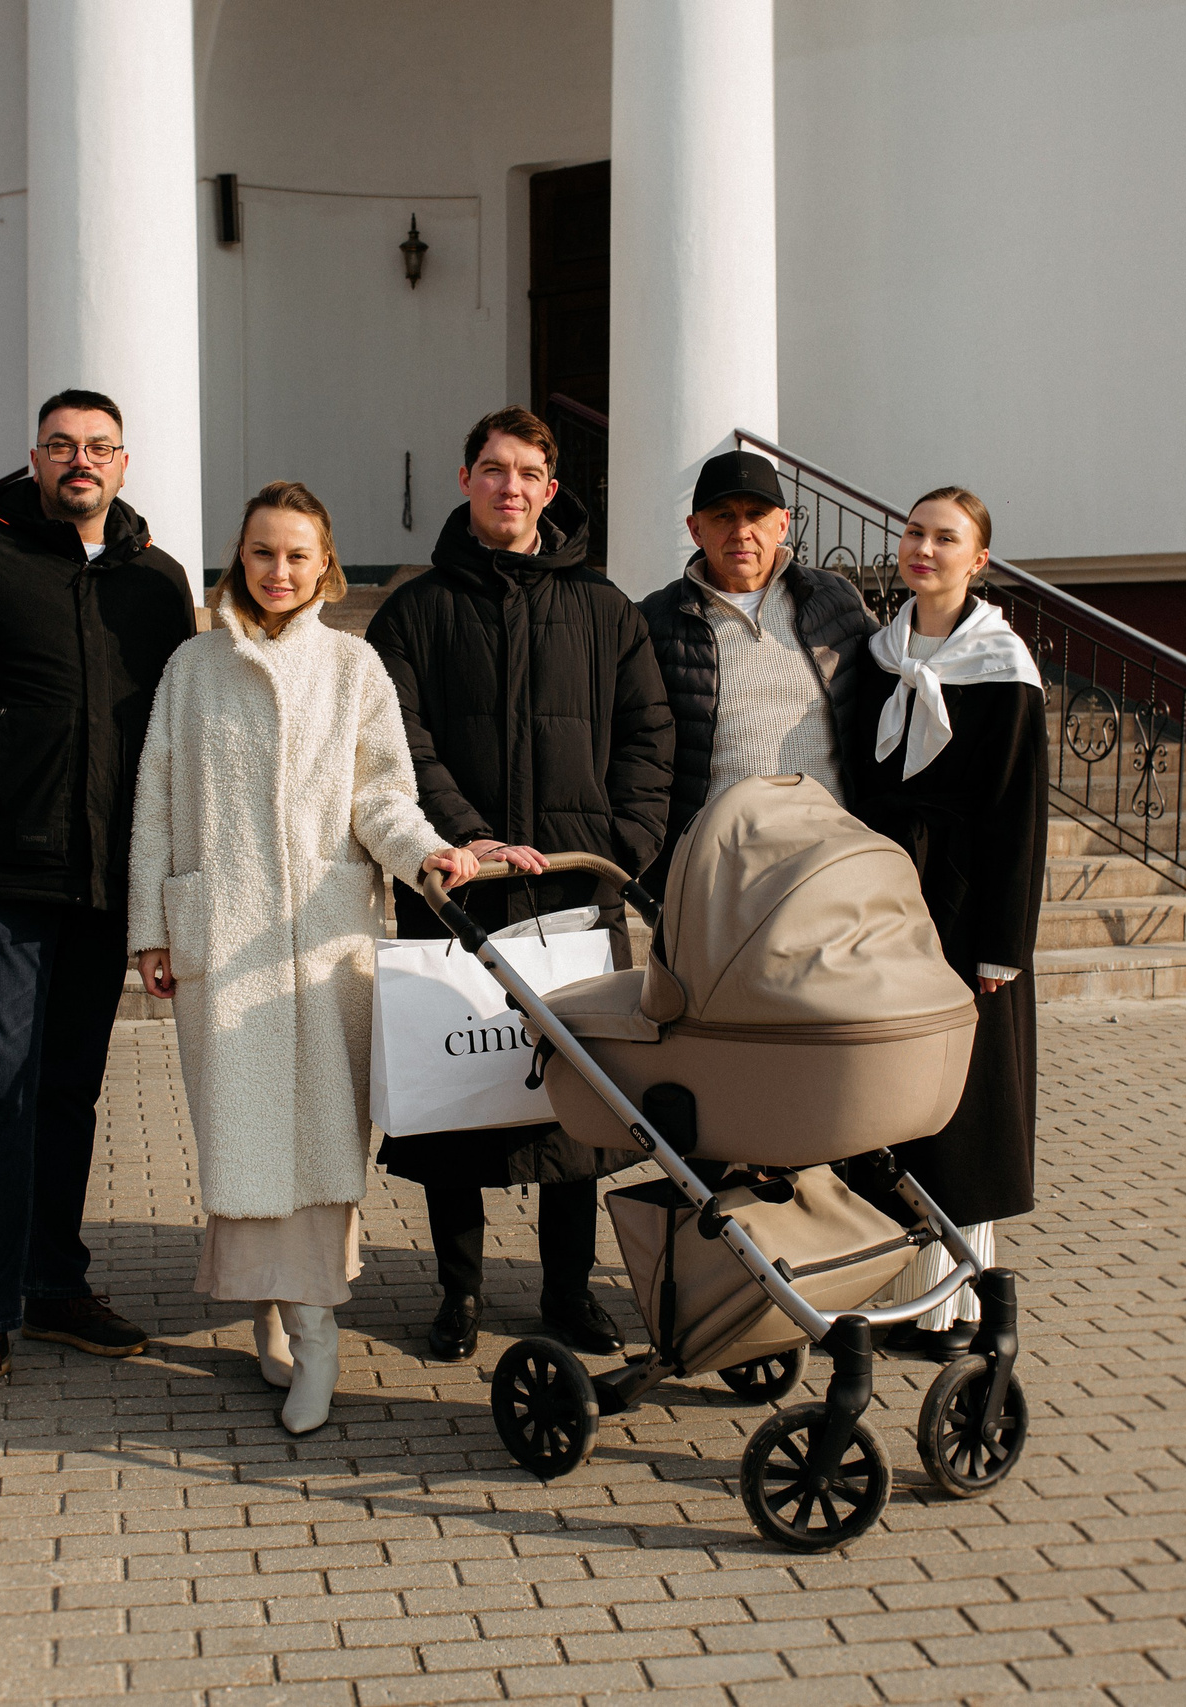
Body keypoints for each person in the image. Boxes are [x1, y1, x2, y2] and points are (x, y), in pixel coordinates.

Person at [130, 481, 478, 1434]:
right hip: (225, 936)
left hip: (327, 944)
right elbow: (155, 801)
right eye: (260, 553)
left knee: (323, 1138)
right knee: (243, 1135)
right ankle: (273, 1312)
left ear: (325, 562)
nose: (278, 572)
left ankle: (317, 1329)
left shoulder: (355, 666)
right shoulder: (192, 668)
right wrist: (151, 928)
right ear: (237, 560)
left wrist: (427, 855)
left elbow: (383, 798)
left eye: (297, 555)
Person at [0, 388, 197, 1410]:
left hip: (103, 881)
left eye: (99, 447)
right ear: (32, 456)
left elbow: (166, 730)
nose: (81, 461)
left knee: (68, 1092)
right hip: (2, 874)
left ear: (123, 460)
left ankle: (54, 1285)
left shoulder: (156, 581)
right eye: (62, 445)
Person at [364, 407, 673, 1364]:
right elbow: (396, 743)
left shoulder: (605, 608)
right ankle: (457, 1292)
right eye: (492, 469)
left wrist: (620, 844)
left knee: (572, 1109)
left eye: (528, 471)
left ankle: (568, 1291)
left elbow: (651, 736)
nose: (510, 486)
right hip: (455, 887)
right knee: (457, 1096)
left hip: (576, 892)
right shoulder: (414, 613)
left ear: (551, 487)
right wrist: (467, 838)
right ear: (466, 481)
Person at [849, 486, 1047, 1359]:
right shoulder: (879, 655)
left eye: (946, 538)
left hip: (968, 920)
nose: (924, 549)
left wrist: (1004, 943)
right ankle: (883, 1286)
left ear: (979, 561)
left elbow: (1020, 818)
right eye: (915, 533)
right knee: (888, 1092)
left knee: (956, 1109)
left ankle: (950, 1301)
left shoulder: (1003, 669)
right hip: (889, 908)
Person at [637, 450, 882, 897]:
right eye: (722, 515)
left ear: (783, 523)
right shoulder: (654, 621)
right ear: (696, 529)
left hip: (831, 858)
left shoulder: (835, 602)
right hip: (720, 871)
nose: (741, 531)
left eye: (756, 514)